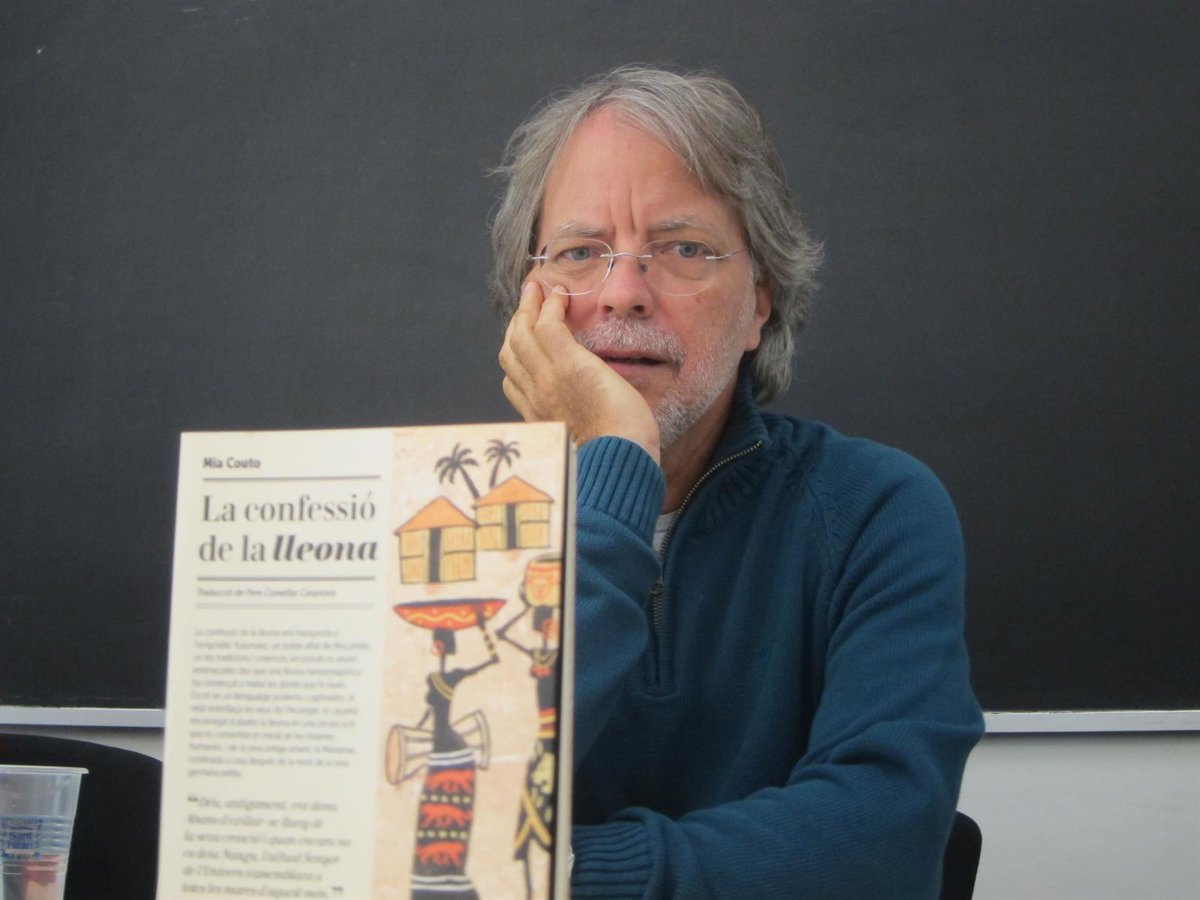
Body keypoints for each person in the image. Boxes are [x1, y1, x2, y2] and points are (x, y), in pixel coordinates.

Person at [493, 65, 984, 899]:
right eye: (579, 253)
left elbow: (887, 845)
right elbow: (433, 814)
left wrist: (564, 876)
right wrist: (614, 462)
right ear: (530, 301)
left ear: (760, 301)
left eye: (682, 249)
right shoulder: (442, 522)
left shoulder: (878, 509)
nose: (623, 293)